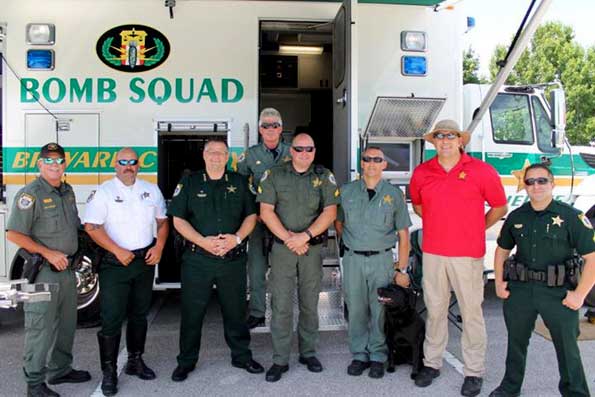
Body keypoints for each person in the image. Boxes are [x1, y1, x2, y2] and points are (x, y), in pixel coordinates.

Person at [409, 120, 508, 396]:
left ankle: (474, 371)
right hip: (434, 253)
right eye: (439, 137)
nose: (445, 141)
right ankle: (432, 363)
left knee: (471, 312)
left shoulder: (481, 171)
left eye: (450, 136)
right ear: (434, 142)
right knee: (436, 309)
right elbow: (419, 206)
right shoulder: (422, 172)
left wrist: (477, 227)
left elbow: (500, 206)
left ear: (460, 141)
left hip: (467, 254)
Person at [489, 163, 595, 397]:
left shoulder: (570, 216)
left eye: (542, 181)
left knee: (567, 348)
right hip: (521, 290)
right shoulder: (517, 216)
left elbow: (592, 258)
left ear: (552, 184)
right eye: (530, 182)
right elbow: (502, 250)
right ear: (525, 186)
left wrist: (580, 295)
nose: (536, 186)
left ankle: (576, 393)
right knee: (516, 344)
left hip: (557, 293)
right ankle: (509, 388)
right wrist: (498, 282)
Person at [168, 140, 263, 382]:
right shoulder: (189, 183)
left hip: (231, 260)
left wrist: (237, 238)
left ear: (227, 156)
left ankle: (241, 356)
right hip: (197, 260)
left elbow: (252, 215)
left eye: (221, 153)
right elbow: (178, 220)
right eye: (211, 152)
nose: (216, 156)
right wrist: (203, 241)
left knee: (235, 311)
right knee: (192, 312)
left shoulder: (240, 183)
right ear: (204, 155)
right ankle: (186, 361)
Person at [7, 143, 91, 397]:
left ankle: (60, 369)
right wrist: (48, 253)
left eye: (59, 161)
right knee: (40, 327)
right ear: (40, 164)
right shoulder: (29, 194)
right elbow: (14, 234)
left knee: (66, 324)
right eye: (49, 161)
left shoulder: (67, 192)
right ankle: (34, 383)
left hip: (66, 271)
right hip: (42, 271)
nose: (55, 165)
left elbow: (73, 225)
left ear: (65, 165)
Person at [83, 147, 169, 396]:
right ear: (115, 165)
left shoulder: (150, 189)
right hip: (115, 264)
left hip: (143, 260)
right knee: (111, 318)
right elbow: (91, 226)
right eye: (123, 162)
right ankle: (109, 371)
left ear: (139, 165)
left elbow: (163, 221)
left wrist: (160, 246)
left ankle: (135, 361)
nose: (128, 166)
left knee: (140, 314)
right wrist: (117, 250)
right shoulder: (104, 192)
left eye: (132, 162)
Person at [257, 133, 339, 382]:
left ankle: (308, 352)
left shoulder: (324, 176)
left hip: (310, 249)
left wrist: (305, 236)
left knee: (309, 302)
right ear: (290, 151)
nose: (304, 153)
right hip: (283, 249)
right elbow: (266, 211)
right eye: (299, 149)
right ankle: (280, 360)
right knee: (281, 304)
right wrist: (290, 239)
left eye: (309, 149)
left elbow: (330, 212)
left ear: (314, 152)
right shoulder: (274, 175)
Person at [335, 146, 412, 379]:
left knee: (380, 309)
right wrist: (351, 244)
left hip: (382, 260)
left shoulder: (394, 194)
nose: (371, 163)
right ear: (361, 163)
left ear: (384, 165)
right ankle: (359, 354)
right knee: (356, 308)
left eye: (377, 160)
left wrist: (402, 269)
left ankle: (378, 355)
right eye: (367, 159)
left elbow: (404, 235)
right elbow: (338, 224)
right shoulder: (346, 191)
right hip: (354, 260)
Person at [237, 107, 291, 329]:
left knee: (283, 269)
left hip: (286, 220)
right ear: (259, 129)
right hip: (259, 220)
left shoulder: (293, 151)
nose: (270, 129)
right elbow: (241, 187)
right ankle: (258, 311)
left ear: (281, 128)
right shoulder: (250, 155)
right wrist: (254, 213)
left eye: (275, 125)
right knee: (257, 268)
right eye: (266, 125)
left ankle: (282, 310)